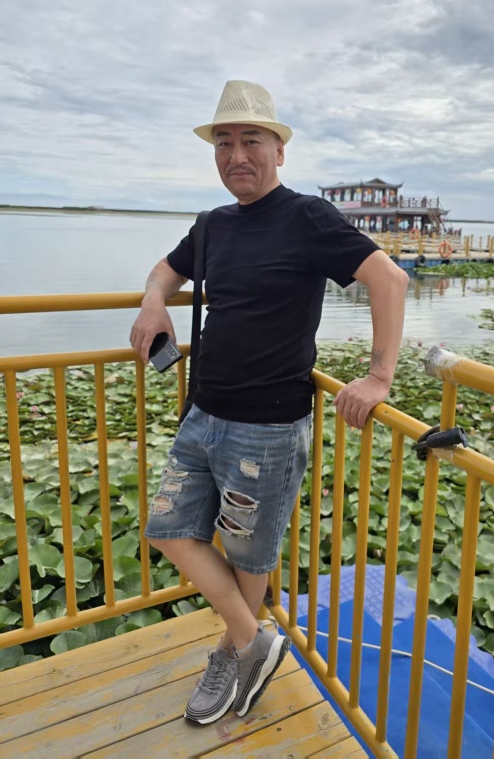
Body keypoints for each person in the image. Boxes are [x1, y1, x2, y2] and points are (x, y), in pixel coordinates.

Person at [130, 80, 409, 725]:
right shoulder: (211, 225)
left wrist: (378, 378)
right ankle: (252, 641)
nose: (237, 156)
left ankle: (234, 653)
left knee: (247, 554)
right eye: (224, 143)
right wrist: (152, 301)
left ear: (278, 151)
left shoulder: (307, 216)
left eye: (251, 141)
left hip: (268, 427)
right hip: (204, 412)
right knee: (167, 528)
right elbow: (166, 269)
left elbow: (389, 279)